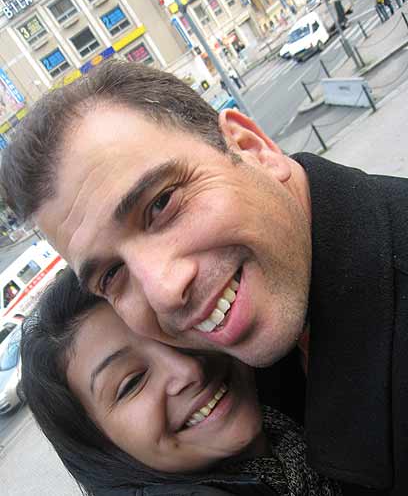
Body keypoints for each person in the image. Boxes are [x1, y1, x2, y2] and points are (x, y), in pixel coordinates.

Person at [1, 59, 408, 495]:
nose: (164, 291)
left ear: (252, 147)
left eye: (161, 204)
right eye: (112, 274)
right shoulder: (258, 372)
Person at [22, 268, 341, 496]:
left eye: (175, 332)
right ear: (99, 448)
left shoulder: (305, 382)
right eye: (132, 383)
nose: (189, 370)